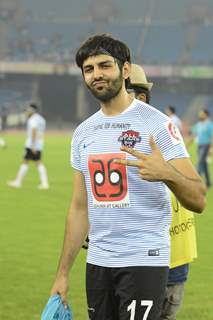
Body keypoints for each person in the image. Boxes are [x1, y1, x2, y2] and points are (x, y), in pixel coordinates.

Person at [50, 34, 206, 320]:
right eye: (89, 69)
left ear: (124, 70)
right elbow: (79, 208)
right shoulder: (83, 133)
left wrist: (167, 174)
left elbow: (198, 198)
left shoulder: (156, 124)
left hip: (143, 260)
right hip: (97, 263)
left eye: (104, 65)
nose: (96, 74)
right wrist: (62, 274)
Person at [128, 63, 198, 320]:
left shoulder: (152, 133)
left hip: (161, 261)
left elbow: (194, 193)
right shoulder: (161, 129)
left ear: (140, 96)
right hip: (168, 257)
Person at [7, 103, 49, 189]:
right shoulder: (41, 119)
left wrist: (33, 145)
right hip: (39, 143)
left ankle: (18, 182)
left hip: (32, 144)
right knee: (36, 162)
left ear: (32, 110)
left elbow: (34, 131)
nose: (27, 112)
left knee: (29, 162)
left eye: (28, 110)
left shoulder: (32, 119)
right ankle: (44, 183)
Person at [190, 109, 213, 189]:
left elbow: (212, 137)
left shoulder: (209, 125)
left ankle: (196, 183)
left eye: (202, 114)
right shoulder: (199, 124)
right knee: (204, 165)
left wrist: (211, 149)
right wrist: (188, 144)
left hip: (206, 146)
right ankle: (208, 183)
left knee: (200, 162)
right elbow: (194, 134)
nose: (200, 115)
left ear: (206, 115)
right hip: (200, 146)